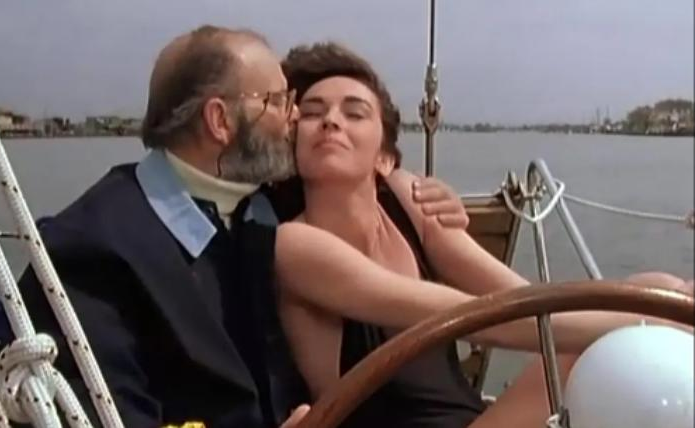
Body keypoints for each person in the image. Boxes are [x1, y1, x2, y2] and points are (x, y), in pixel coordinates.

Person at [15, 26, 466, 428]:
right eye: (277, 102)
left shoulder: (262, 205)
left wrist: (418, 192)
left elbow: (355, 179)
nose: (294, 117)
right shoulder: (92, 253)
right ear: (220, 121)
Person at [266, 42, 694, 428]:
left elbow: (519, 296)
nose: (331, 122)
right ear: (292, 142)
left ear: (385, 158)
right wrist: (657, 318)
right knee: (596, 354)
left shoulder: (409, 201)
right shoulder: (295, 245)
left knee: (655, 285)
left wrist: (663, 301)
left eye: (355, 113)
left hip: (475, 419)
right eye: (313, 113)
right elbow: (487, 320)